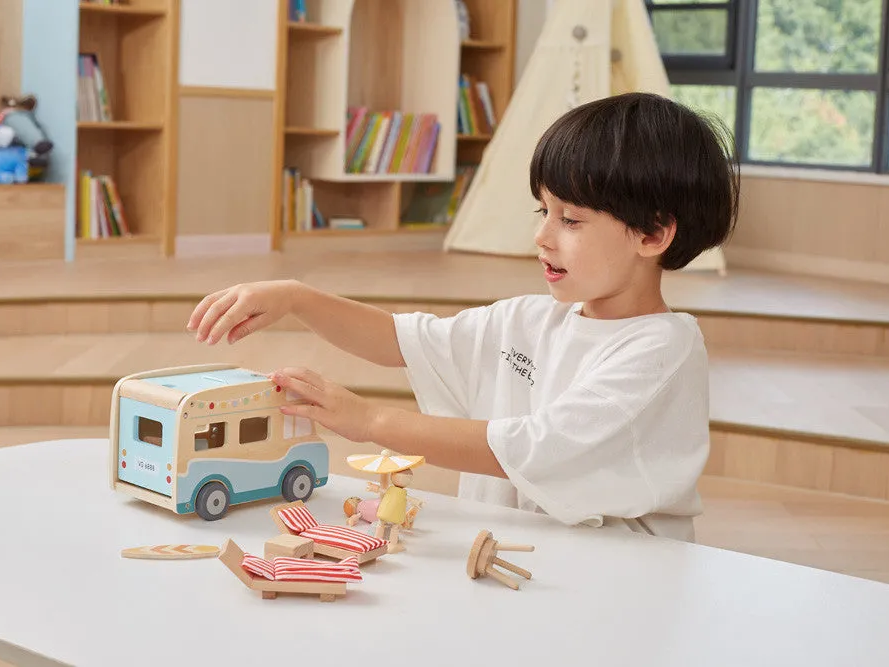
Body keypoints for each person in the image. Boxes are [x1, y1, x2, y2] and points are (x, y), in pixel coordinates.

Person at [186, 92, 739, 542]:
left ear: (652, 234)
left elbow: (534, 446)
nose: (542, 237)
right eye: (542, 211)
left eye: (570, 220)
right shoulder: (529, 320)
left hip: (620, 582)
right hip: (525, 558)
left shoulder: (663, 350)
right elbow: (402, 340)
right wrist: (296, 298)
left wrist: (370, 421)